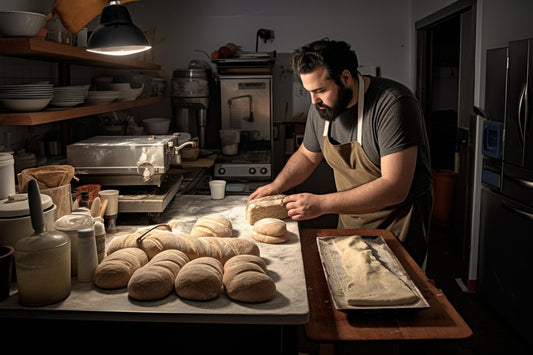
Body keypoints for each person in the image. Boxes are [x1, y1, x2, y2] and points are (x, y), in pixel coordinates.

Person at [249, 39, 432, 266]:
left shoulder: (393, 104)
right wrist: (276, 186)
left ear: (346, 78)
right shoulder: (322, 106)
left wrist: (322, 204)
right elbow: (307, 155)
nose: (314, 101)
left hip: (397, 230)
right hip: (350, 226)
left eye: (320, 90)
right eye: (309, 92)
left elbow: (395, 188)